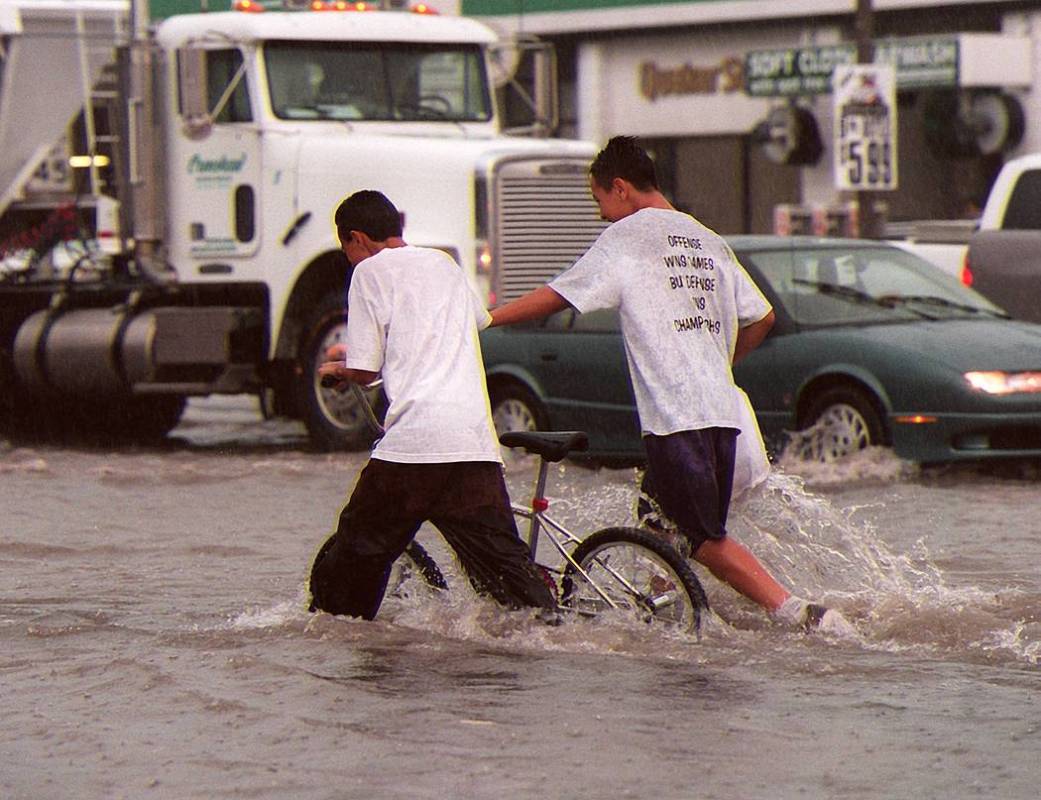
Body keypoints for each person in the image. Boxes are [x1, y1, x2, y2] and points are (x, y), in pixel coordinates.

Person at [489, 136, 852, 634]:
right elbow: (762, 317)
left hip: (677, 417)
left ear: (619, 189)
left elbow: (559, 295)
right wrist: (715, 365)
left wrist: (487, 320)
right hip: (720, 413)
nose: (601, 216)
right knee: (658, 530)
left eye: (599, 201)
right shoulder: (706, 237)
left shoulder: (631, 235)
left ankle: (801, 613)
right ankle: (666, 619)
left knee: (704, 540)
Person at [308, 190, 557, 621]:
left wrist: (339, 370)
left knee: (353, 559)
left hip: (414, 447)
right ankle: (555, 631)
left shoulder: (368, 274)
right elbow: (469, 324)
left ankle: (334, 650)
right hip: (474, 444)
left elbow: (366, 370)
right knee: (509, 584)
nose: (349, 258)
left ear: (356, 238)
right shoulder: (445, 264)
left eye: (345, 248)